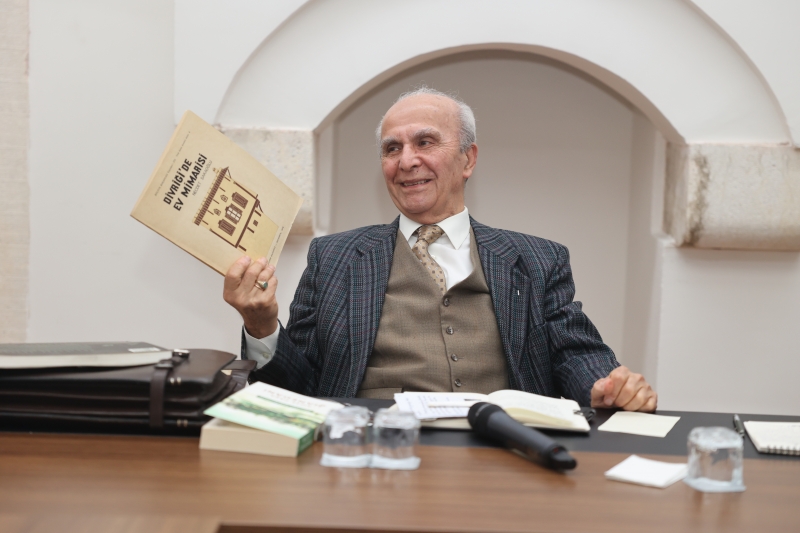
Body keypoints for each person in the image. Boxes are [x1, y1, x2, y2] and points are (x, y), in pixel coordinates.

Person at [223, 87, 657, 411]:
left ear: (468, 159)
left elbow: (576, 353)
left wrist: (608, 387)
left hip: (503, 453)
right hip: (373, 452)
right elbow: (296, 389)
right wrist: (262, 326)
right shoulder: (333, 259)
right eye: (392, 148)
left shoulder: (538, 260)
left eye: (425, 142)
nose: (406, 160)